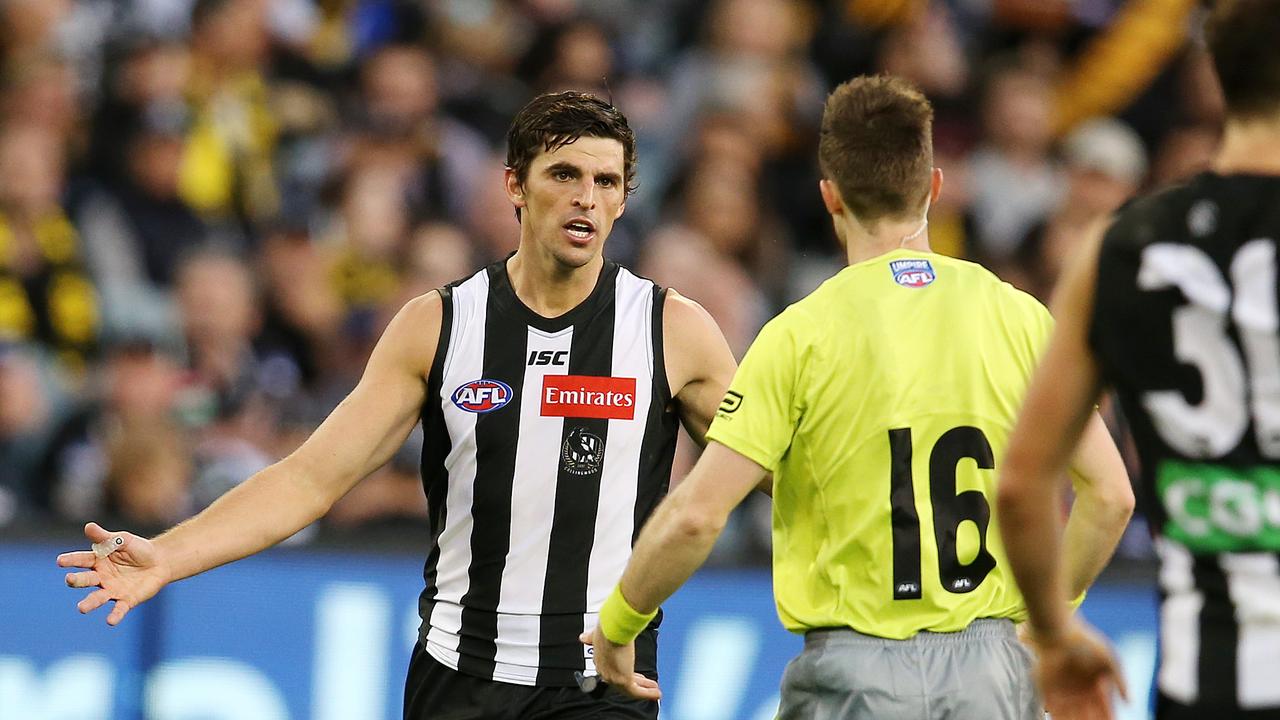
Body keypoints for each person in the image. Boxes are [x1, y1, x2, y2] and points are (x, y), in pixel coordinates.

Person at [57, 91, 738, 720]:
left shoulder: (671, 332)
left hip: (598, 682)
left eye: (606, 182)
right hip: (457, 677)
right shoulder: (440, 325)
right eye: (565, 175)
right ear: (515, 186)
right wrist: (170, 556)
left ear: (623, 201)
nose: (586, 198)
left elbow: (765, 467)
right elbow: (310, 478)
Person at [583, 74, 1135, 719]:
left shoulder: (801, 334)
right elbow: (1111, 496)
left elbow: (697, 516)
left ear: (830, 196)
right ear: (933, 187)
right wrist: (1046, 624)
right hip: (994, 670)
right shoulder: (1019, 317)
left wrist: (620, 623)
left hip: (858, 670)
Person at [997, 2, 1280, 719]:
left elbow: (1024, 485)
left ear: (1218, 76)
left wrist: (1055, 637)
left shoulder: (1123, 247)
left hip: (1206, 678)